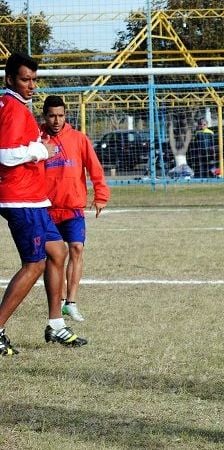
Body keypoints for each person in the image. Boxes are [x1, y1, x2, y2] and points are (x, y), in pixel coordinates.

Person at [0, 53, 88, 356]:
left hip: (34, 199)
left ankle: (55, 324)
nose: (31, 85)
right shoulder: (11, 108)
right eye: (25, 79)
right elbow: (6, 154)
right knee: (34, 263)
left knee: (57, 250)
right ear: (10, 79)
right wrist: (41, 150)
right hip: (20, 199)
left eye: (34, 80)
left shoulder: (17, 106)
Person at [41, 95, 110, 323]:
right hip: (47, 210)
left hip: (73, 208)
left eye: (60, 115)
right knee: (54, 257)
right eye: (52, 115)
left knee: (77, 249)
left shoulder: (79, 139)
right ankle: (59, 302)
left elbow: (95, 168)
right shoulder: (37, 141)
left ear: (65, 115)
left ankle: (71, 303)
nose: (56, 120)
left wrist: (101, 196)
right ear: (45, 116)